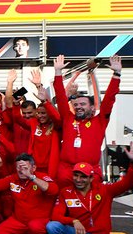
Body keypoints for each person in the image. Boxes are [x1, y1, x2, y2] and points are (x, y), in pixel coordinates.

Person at [47, 144, 133, 234]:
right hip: (77, 233)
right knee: (52, 226)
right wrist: (74, 221)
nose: (78, 180)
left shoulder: (105, 190)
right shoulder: (66, 192)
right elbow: (55, 215)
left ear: (91, 178)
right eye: (76, 175)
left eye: (83, 177)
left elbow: (128, 183)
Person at [52, 54, 121, 187]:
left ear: (91, 107)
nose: (78, 107)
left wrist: (116, 75)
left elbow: (109, 100)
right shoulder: (68, 118)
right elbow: (60, 97)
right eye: (76, 105)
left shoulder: (100, 121)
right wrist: (58, 72)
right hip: (66, 171)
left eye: (83, 104)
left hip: (90, 172)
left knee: (91, 206)